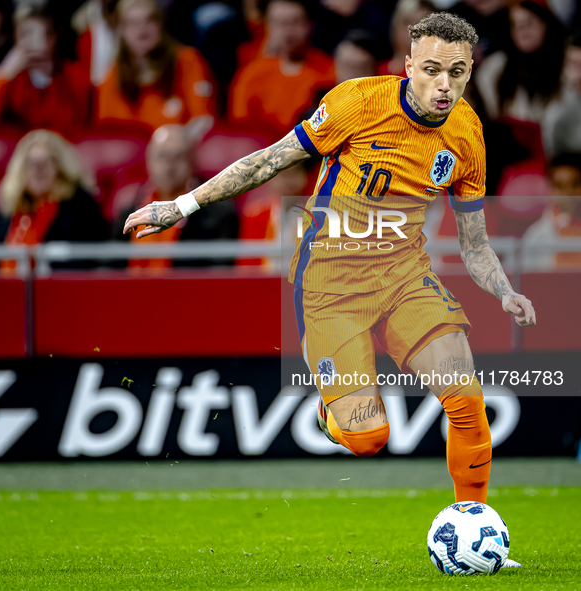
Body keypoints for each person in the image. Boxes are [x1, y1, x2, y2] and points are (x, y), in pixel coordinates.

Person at [123, 12, 534, 558]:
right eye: (431, 69)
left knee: (466, 399)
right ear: (407, 65)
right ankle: (331, 411)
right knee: (368, 439)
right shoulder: (356, 103)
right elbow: (270, 160)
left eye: (456, 73)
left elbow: (475, 243)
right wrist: (182, 205)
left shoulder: (467, 134)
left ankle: (480, 531)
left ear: (469, 71)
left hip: (405, 277)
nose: (443, 84)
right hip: (330, 283)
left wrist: (503, 289)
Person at [115, 124, 238, 270]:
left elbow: (219, 274)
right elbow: (107, 271)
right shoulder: (128, 213)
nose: (169, 167)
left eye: (178, 158)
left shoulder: (218, 215)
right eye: (161, 157)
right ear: (148, 161)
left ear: (193, 162)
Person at [97, 0, 217, 140]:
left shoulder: (189, 62)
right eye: (132, 23)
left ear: (161, 22)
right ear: (121, 29)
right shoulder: (112, 76)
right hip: (133, 159)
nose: (142, 28)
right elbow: (105, 135)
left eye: (149, 20)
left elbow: (204, 121)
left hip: (181, 154)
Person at [0, 130, 108, 272]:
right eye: (31, 163)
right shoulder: (9, 212)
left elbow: (89, 262)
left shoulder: (81, 208)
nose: (38, 170)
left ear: (60, 167)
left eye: (45, 163)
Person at [230, 0, 335, 139]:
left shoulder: (329, 71)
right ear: (267, 26)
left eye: (294, 22)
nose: (288, 32)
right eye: (279, 24)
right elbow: (240, 130)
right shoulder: (251, 75)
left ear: (309, 24)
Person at [0, 5, 92, 139]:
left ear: (51, 38)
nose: (26, 42)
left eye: (31, 33)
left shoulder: (75, 75)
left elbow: (76, 123)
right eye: (22, 35)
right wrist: (7, 75)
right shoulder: (12, 80)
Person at [522, 152, 581, 268]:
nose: (568, 192)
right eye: (560, 185)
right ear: (550, 189)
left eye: (575, 184)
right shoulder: (535, 236)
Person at [378, 0, 434, 78]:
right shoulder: (379, 70)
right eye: (408, 23)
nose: (413, 31)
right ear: (395, 27)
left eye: (422, 25)